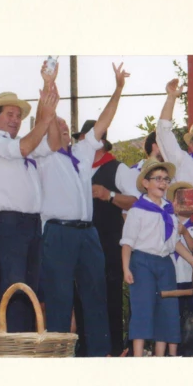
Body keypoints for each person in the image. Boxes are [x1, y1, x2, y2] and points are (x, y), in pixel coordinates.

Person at [38, 62, 129, 356]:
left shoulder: (82, 152)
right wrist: (49, 85)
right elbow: (48, 123)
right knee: (60, 299)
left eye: (66, 126)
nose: (63, 128)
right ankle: (58, 356)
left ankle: (100, 355)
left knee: (96, 297)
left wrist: (118, 88)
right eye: (58, 124)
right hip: (59, 232)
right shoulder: (46, 155)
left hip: (88, 233)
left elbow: (103, 122)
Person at [0, 81, 60, 332]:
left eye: (18, 116)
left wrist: (50, 110)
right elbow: (23, 148)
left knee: (30, 286)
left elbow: (54, 144)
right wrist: (44, 118)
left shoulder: (23, 142)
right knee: (15, 284)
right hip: (9, 220)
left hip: (32, 221)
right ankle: (14, 340)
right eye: (9, 114)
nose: (15, 120)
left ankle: (25, 340)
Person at [121, 158, 193, 357]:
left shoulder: (169, 211)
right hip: (142, 262)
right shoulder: (137, 211)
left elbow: (175, 243)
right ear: (145, 183)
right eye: (157, 178)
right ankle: (138, 356)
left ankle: (162, 357)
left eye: (166, 179)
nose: (163, 183)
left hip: (165, 263)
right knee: (143, 307)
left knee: (168, 308)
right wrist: (126, 268)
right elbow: (127, 242)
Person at [73, 119, 139, 356]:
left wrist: (108, 194)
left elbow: (137, 202)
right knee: (80, 297)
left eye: (84, 139)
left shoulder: (118, 169)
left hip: (108, 243)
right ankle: (85, 351)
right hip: (79, 243)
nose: (80, 144)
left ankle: (114, 350)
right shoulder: (74, 168)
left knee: (110, 296)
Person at [166, 181, 193, 356]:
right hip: (172, 278)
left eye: (188, 200)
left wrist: (185, 233)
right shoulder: (165, 221)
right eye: (179, 200)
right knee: (174, 318)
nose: (183, 204)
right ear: (172, 202)